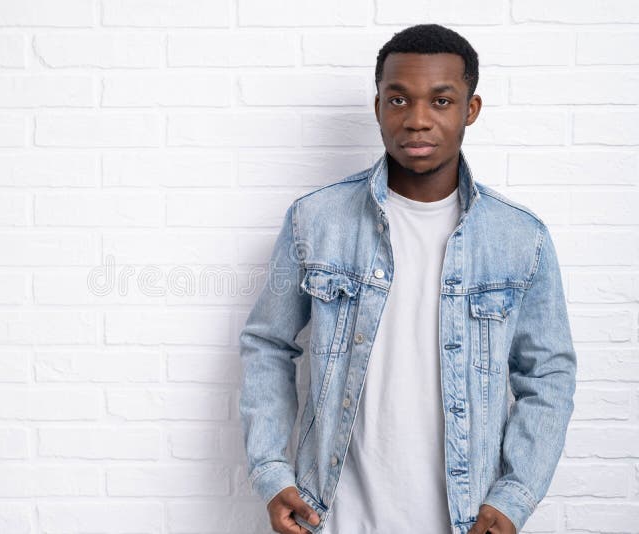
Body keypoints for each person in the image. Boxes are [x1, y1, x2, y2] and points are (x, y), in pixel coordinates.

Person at [238, 24, 576, 534]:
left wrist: (513, 496)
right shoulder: (316, 220)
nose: (417, 120)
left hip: (464, 520)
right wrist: (270, 470)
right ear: (377, 108)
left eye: (441, 101)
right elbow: (266, 343)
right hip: (329, 516)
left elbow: (548, 374)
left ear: (471, 110)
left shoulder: (518, 237)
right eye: (398, 100)